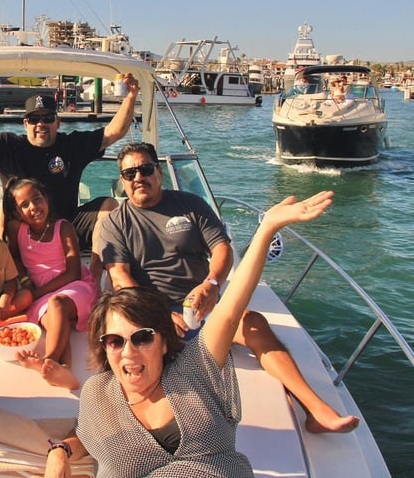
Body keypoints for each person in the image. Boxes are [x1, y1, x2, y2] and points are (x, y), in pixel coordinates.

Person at [45, 190, 340, 478]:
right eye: (115, 341)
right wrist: (59, 451)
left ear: (162, 342)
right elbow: (87, 433)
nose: (128, 352)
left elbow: (229, 312)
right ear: (103, 347)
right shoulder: (100, 393)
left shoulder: (194, 371)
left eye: (142, 337)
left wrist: (265, 231)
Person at [100, 142, 360, 434]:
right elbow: (120, 277)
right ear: (122, 181)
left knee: (253, 322)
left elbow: (221, 249)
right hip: (151, 313)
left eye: (145, 169)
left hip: (203, 305)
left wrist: (211, 284)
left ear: (159, 172)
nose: (138, 177)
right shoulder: (115, 223)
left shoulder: (192, 205)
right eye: (129, 173)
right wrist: (156, 315)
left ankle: (316, 410)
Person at [0, 73, 140, 280]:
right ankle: (17, 277)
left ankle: (95, 276)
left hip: (67, 225)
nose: (40, 124)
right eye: (34, 119)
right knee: (7, 215)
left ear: (58, 122)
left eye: (47, 118)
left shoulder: (72, 145)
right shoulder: (8, 147)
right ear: (26, 123)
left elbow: (114, 132)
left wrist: (130, 97)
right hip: (25, 231)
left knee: (109, 205)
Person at [3, 178, 98, 390]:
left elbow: (73, 272)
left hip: (75, 286)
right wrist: (26, 281)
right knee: (56, 323)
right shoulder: (15, 229)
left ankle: (49, 361)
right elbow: (14, 257)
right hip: (41, 294)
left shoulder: (63, 227)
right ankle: (65, 371)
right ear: (17, 213)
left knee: (57, 304)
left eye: (37, 199)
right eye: (24, 205)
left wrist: (35, 294)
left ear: (46, 199)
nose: (33, 207)